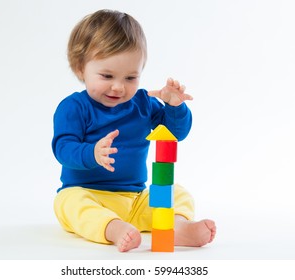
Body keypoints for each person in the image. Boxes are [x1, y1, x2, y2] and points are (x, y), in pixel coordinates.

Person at [52, 9, 216, 252]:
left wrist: (174, 106)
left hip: (136, 200)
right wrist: (92, 153)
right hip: (89, 193)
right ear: (80, 69)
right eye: (107, 75)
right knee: (68, 203)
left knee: (177, 193)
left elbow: (174, 134)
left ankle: (177, 226)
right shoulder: (74, 107)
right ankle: (113, 228)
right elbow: (63, 148)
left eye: (130, 77)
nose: (118, 87)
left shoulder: (142, 103)